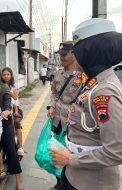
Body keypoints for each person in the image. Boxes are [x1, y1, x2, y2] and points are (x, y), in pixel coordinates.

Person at [49, 18, 122, 190]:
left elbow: (117, 151)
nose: (73, 56)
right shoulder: (92, 81)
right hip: (74, 174)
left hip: (91, 183)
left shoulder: (105, 92)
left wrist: (70, 159)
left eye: (77, 51)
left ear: (90, 53)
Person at [47, 41, 83, 190]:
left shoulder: (82, 74)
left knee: (70, 153)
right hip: (57, 120)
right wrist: (51, 106)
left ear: (73, 54)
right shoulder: (58, 73)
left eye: (64, 55)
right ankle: (58, 182)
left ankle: (69, 182)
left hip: (72, 123)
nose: (61, 58)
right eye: (60, 55)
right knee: (57, 151)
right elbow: (54, 93)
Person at [1, 67, 25, 156]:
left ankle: (21, 147)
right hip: (4, 109)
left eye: (8, 74)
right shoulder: (0, 85)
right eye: (4, 75)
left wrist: (6, 89)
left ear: (11, 76)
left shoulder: (15, 85)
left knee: (16, 123)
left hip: (15, 108)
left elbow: (15, 97)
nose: (6, 76)